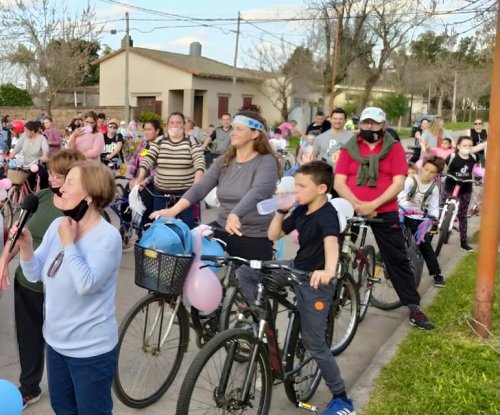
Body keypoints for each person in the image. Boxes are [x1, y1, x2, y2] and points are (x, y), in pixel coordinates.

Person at [151, 111, 280, 338]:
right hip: (223, 227)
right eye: (234, 128)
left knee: (252, 295)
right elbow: (201, 188)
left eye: (239, 129)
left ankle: (266, 340)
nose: (233, 133)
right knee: (189, 255)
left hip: (254, 234)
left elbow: (259, 191)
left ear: (255, 134)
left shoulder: (266, 162)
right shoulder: (225, 160)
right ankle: (205, 310)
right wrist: (173, 210)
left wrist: (236, 213)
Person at [15, 161, 121, 415]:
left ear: (90, 195)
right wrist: (26, 247)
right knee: (62, 408)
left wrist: (68, 244)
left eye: (70, 182)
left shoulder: (107, 237)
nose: (61, 188)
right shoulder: (58, 225)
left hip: (91, 350)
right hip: (56, 343)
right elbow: (34, 274)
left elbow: (86, 284)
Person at [265, 160, 356, 415]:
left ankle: (341, 398)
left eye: (301, 186)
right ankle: (259, 325)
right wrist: (281, 210)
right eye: (295, 185)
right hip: (297, 268)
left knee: (314, 344)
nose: (296, 191)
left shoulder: (327, 215)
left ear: (321, 188)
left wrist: (328, 271)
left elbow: (331, 243)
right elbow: (273, 235)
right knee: (248, 272)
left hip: (316, 281)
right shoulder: (301, 210)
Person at [0, 149, 86, 409]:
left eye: (60, 176)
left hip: (59, 291)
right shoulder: (42, 197)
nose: (52, 179)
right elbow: (20, 234)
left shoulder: (83, 210)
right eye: (52, 174)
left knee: (63, 345)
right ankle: (29, 387)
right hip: (27, 282)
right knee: (28, 338)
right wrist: (4, 259)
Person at [333, 106, 435, 330]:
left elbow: (398, 182)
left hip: (383, 208)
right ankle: (332, 295)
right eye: (366, 122)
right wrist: (358, 205)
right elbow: (339, 181)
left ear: (383, 125)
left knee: (396, 259)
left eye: (374, 123)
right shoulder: (350, 147)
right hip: (351, 207)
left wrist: (373, 205)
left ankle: (413, 307)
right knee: (334, 251)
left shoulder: (394, 148)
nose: (370, 127)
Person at [131, 112, 206, 227]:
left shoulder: (192, 141)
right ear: (167, 125)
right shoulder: (160, 140)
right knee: (158, 224)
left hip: (185, 192)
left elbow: (199, 163)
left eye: (178, 123)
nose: (175, 125)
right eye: (172, 123)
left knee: (187, 226)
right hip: (161, 190)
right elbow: (148, 159)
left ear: (184, 125)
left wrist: (196, 184)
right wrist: (140, 177)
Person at [398, 156, 446, 286]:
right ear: (422, 168)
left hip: (420, 218)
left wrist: (434, 217)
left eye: (432, 172)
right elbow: (400, 194)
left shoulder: (433, 189)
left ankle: (436, 273)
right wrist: (405, 200)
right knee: (393, 237)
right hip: (403, 214)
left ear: (437, 174)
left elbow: (434, 207)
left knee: (425, 245)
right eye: (426, 169)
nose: (427, 174)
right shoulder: (411, 181)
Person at [442, 135, 485, 253]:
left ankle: (463, 242)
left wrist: (479, 177)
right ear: (458, 146)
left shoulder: (473, 157)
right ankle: (432, 232)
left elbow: (474, 170)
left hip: (465, 188)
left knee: (462, 215)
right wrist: (441, 173)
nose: (467, 147)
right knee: (441, 209)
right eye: (464, 145)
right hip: (450, 187)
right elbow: (444, 168)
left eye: (470, 146)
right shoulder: (452, 157)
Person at [9, 120, 50, 191]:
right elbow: (17, 147)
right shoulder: (24, 136)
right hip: (26, 164)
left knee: (43, 176)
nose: (25, 132)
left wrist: (44, 156)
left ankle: (44, 192)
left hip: (37, 163)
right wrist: (11, 156)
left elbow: (45, 149)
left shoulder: (41, 138)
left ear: (33, 131)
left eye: (27, 130)